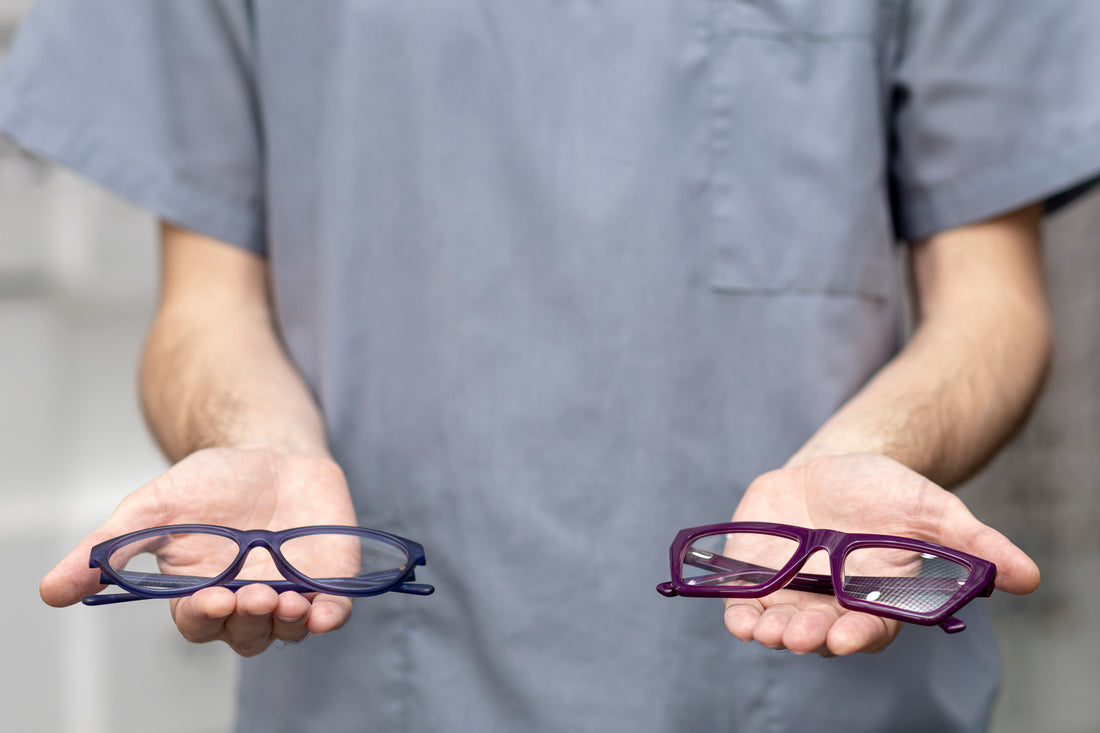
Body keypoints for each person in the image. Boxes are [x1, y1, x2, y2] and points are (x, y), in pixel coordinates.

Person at [2, 2, 1099, 731]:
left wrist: (868, 455)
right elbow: (206, 307)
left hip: (812, 685)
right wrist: (255, 442)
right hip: (371, 690)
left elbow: (990, 304)